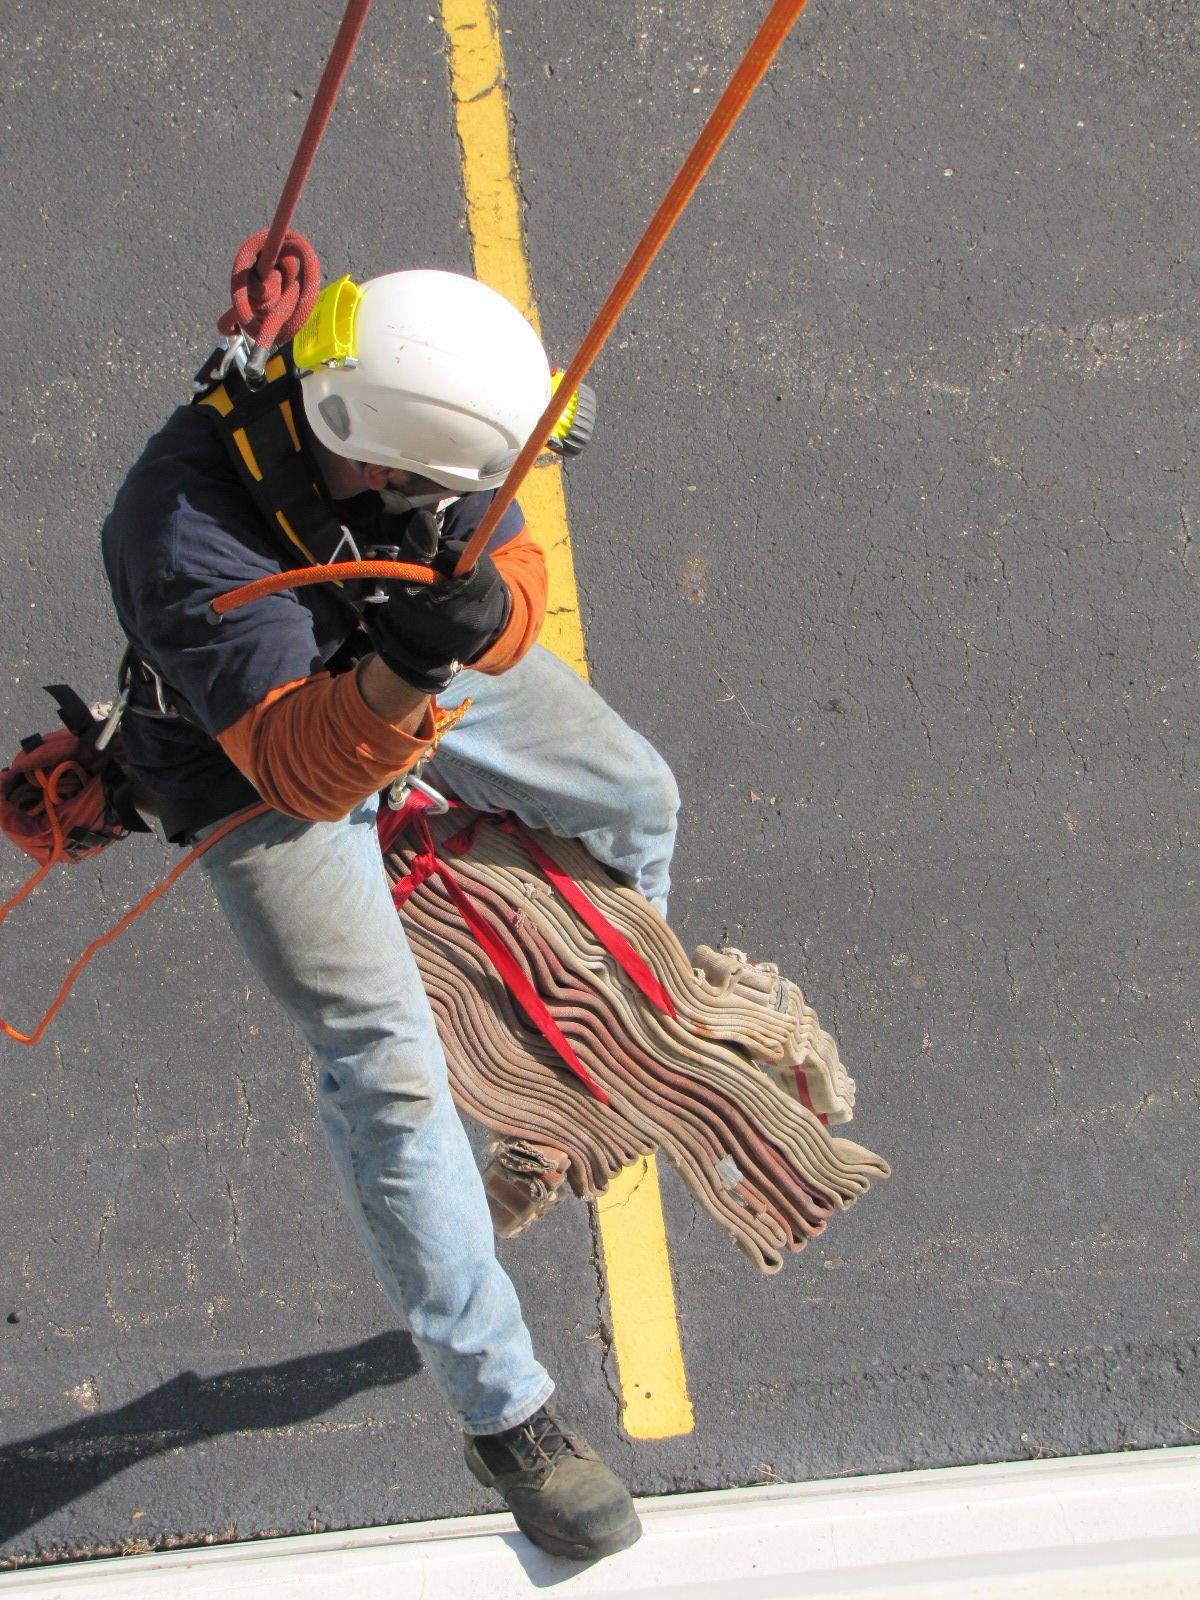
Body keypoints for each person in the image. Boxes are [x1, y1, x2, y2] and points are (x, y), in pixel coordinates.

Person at [100, 267, 678, 1561]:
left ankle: (561, 1081)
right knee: (389, 1066)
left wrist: (491, 613)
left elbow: (510, 557)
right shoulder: (181, 527)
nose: (460, 507)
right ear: (375, 466)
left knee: (635, 799)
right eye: (440, 497)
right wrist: (414, 662)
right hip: (259, 743)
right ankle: (507, 1415)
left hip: (397, 635)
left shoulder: (420, 389)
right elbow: (305, 765)